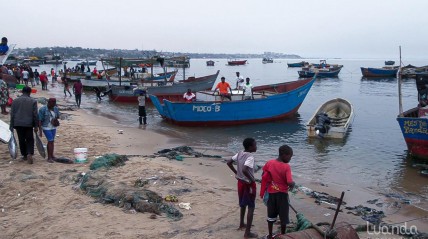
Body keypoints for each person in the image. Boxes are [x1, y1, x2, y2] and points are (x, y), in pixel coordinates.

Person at [260, 145, 296, 239]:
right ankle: (283, 235)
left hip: (271, 193)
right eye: (290, 156)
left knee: (271, 216)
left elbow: (263, 174)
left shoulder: (270, 162)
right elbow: (289, 181)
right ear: (284, 155)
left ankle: (270, 235)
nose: (290, 159)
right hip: (282, 195)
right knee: (283, 216)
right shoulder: (286, 166)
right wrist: (293, 184)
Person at [227, 138, 258, 239]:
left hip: (240, 182)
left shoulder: (240, 153)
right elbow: (245, 169)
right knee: (251, 207)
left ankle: (241, 224)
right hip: (248, 184)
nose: (256, 146)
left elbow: (229, 162)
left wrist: (236, 172)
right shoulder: (250, 156)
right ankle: (247, 233)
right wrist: (251, 179)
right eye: (255, 145)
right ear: (250, 147)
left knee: (243, 204)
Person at [10, 86, 38, 164]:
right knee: (29, 139)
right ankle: (29, 153)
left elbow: (12, 114)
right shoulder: (33, 101)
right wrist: (36, 126)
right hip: (28, 123)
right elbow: (35, 114)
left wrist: (11, 125)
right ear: (30, 92)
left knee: (21, 139)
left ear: (22, 92)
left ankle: (24, 155)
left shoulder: (15, 101)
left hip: (18, 123)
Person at [38, 98, 60, 163]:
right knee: (50, 140)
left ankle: (52, 155)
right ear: (49, 102)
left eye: (54, 103)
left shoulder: (55, 108)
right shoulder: (43, 109)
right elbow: (39, 120)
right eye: (52, 103)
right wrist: (40, 130)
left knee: (52, 141)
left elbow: (57, 116)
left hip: (53, 127)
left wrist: (55, 120)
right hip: (46, 127)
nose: (53, 105)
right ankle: (49, 157)